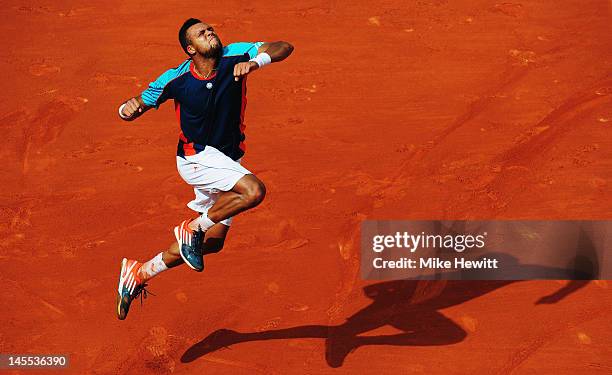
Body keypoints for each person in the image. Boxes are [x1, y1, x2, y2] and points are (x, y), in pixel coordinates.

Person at [115, 18, 294, 320]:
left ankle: (140, 272)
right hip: (195, 158)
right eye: (201, 34)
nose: (210, 34)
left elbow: (283, 46)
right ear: (190, 49)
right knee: (254, 191)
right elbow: (136, 104)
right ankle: (192, 228)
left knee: (213, 243)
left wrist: (257, 63)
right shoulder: (176, 79)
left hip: (227, 160)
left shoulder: (236, 55)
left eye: (210, 30)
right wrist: (126, 109)